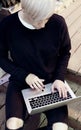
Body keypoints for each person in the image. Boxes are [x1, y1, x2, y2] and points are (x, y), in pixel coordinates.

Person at [0, 0, 71, 130]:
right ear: (26, 11)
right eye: (40, 20)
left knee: (60, 128)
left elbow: (65, 53)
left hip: (51, 82)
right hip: (20, 81)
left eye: (47, 18)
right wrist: (25, 76)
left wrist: (59, 78)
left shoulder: (58, 23)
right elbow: (1, 58)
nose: (44, 25)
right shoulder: (7, 25)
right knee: (12, 125)